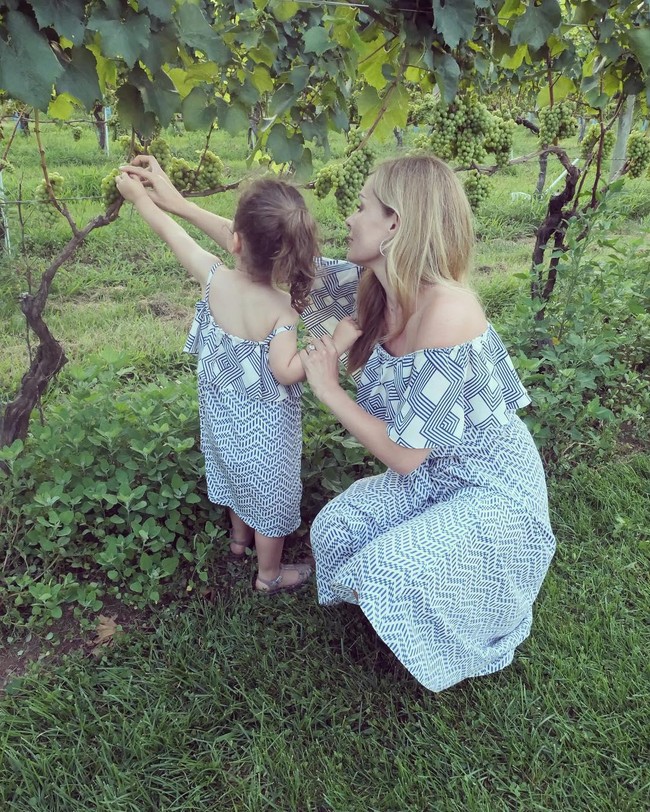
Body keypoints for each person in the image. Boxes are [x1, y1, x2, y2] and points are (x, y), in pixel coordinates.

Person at [299, 155, 556, 692]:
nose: (349, 217)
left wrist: (329, 390)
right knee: (334, 531)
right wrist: (170, 205)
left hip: (491, 488)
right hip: (434, 475)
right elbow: (273, 255)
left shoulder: (448, 310)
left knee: (389, 572)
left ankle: (475, 610)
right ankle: (410, 602)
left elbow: (403, 456)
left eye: (361, 206)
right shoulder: (375, 288)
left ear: (395, 223)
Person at [115, 163, 348, 595]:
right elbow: (284, 371)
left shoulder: (212, 277)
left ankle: (239, 542)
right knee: (269, 499)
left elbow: (171, 233)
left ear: (236, 240)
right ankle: (269, 575)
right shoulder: (281, 309)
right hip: (266, 434)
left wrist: (140, 197)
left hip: (221, 421)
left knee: (236, 479)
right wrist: (335, 341)